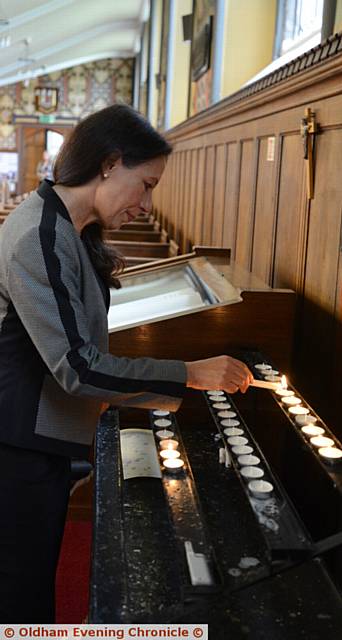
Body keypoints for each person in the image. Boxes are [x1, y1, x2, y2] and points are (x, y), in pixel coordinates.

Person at [0, 104, 253, 623]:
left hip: (35, 438)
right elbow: (78, 368)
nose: (146, 203)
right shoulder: (39, 236)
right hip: (15, 447)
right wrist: (190, 372)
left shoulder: (68, 227)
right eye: (147, 184)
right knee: (20, 596)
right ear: (110, 164)